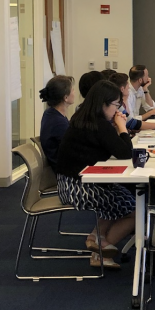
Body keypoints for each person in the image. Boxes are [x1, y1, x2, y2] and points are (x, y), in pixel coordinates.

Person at [54, 80, 136, 270]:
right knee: (134, 210)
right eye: (116, 105)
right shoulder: (99, 124)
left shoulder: (83, 119)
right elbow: (124, 153)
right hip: (78, 189)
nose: (119, 109)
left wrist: (116, 129)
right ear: (103, 104)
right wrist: (122, 128)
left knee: (121, 195)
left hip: (70, 183)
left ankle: (95, 237)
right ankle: (99, 251)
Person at [38, 75, 74, 166]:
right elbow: (73, 147)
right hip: (65, 172)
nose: (74, 92)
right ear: (65, 97)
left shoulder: (50, 113)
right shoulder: (58, 122)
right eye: (72, 90)